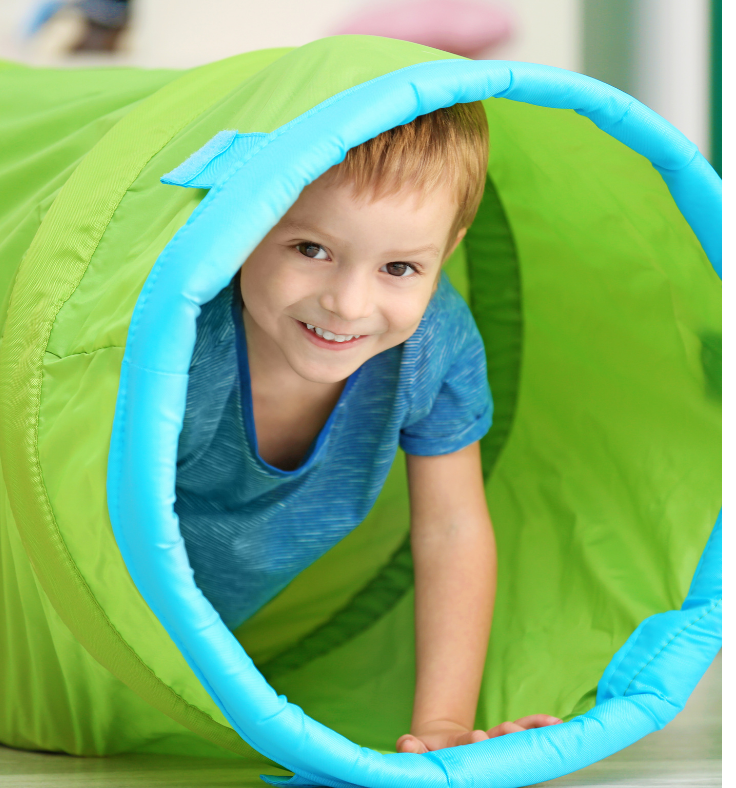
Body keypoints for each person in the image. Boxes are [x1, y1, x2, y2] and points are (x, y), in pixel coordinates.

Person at [174, 103, 562, 753]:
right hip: (64, 615)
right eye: (311, 249)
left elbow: (452, 527)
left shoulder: (434, 342)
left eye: (400, 268)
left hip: (212, 639)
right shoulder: (185, 337)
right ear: (247, 222)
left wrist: (442, 727)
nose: (348, 304)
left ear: (449, 250)